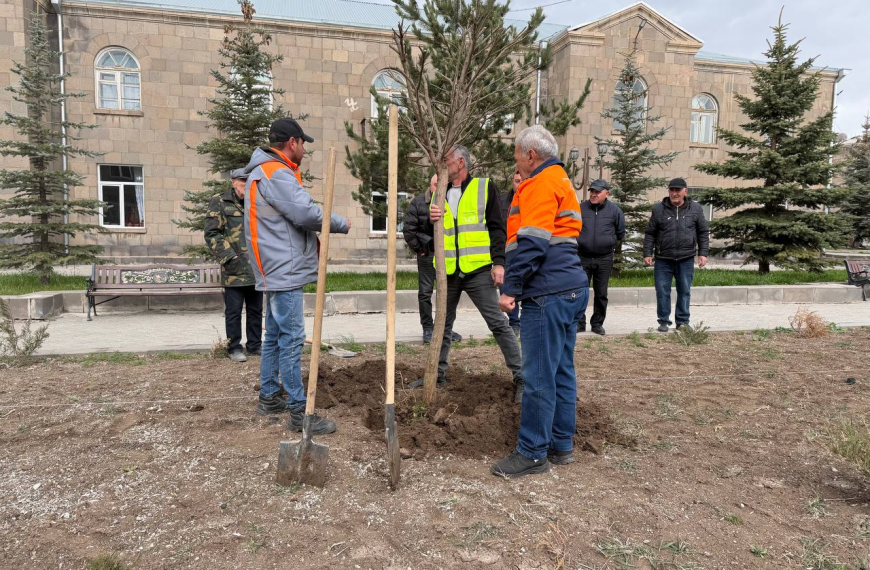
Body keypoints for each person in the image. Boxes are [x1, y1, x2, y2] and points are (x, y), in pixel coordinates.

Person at [243, 118, 351, 434]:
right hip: (283, 270)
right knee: (291, 339)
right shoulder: (276, 173)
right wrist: (341, 223)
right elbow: (305, 213)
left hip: (276, 268)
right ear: (293, 142)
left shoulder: (264, 171)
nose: (304, 149)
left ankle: (268, 396)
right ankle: (298, 412)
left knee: (275, 335)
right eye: (303, 143)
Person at [493, 125, 589, 478]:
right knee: (562, 369)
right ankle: (561, 445)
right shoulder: (562, 181)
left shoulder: (538, 184)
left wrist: (511, 289)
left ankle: (533, 451)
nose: (516, 162)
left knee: (537, 375)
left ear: (530, 155)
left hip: (547, 291)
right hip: (571, 288)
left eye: (517, 155)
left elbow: (532, 242)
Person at [409, 145, 524, 403]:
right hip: (448, 271)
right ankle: (436, 375)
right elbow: (434, 228)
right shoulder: (440, 191)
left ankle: (521, 377)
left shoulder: (484, 188)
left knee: (497, 323)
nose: (442, 164)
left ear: (461, 162)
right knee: (443, 325)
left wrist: (499, 263)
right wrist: (431, 217)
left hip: (477, 271)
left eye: (447, 160)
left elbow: (497, 228)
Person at [205, 168, 263, 362]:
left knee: (256, 310)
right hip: (234, 269)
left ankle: (255, 345)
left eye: (249, 181)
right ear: (233, 182)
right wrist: (230, 257)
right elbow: (212, 233)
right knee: (234, 311)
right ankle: (234, 348)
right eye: (242, 181)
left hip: (255, 267)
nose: (246, 185)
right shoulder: (220, 201)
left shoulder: (255, 201)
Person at [643, 177, 710, 332]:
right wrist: (647, 252)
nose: (675, 193)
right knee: (662, 290)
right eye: (672, 190)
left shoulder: (696, 209)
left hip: (686, 258)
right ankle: (664, 321)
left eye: (678, 190)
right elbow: (650, 233)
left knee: (684, 291)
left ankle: (683, 321)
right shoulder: (659, 209)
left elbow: (703, 232)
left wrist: (703, 253)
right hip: (663, 259)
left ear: (685, 191)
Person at [402, 173, 462, 344]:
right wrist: (420, 249)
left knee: (448, 293)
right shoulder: (419, 203)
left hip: (448, 257)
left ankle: (445, 328)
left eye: (443, 185)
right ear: (430, 185)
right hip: (428, 255)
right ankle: (428, 328)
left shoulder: (452, 203)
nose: (439, 188)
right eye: (436, 184)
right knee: (426, 293)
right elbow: (409, 230)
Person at [576, 178, 625, 336]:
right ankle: (579, 323)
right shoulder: (580, 208)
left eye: (597, 191)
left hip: (604, 258)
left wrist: (607, 242)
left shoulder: (615, 211)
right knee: (579, 291)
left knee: (601, 293)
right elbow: (572, 228)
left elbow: (620, 233)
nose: (594, 194)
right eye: (592, 191)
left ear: (606, 193)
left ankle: (597, 323)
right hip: (582, 257)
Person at [500, 170, 523, 337]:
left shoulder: (533, 199)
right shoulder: (501, 201)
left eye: (522, 180)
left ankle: (526, 320)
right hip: (506, 251)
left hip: (525, 251)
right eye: (516, 181)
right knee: (507, 287)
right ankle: (514, 322)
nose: (519, 184)